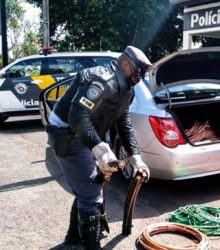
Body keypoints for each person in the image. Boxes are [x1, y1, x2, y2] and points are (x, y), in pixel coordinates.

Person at [46, 46, 152, 249]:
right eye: (138, 70)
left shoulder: (126, 90)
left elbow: (123, 123)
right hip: (67, 131)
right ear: (125, 64)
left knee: (89, 186)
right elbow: (76, 117)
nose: (141, 76)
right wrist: (100, 149)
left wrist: (135, 156)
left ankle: (74, 237)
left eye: (144, 73)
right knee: (91, 193)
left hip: (85, 131)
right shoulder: (103, 80)